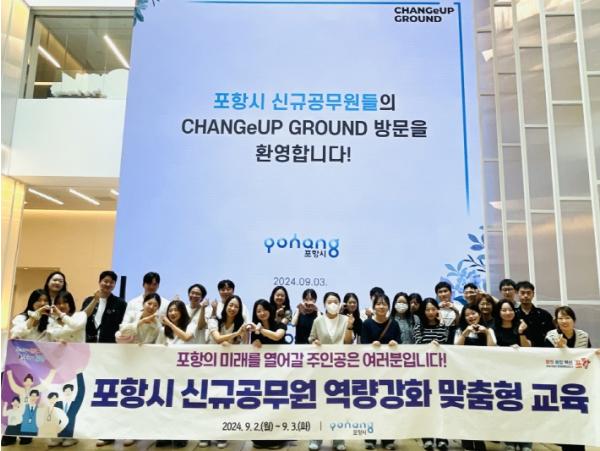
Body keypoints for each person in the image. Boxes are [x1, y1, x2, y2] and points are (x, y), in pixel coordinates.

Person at [308, 292, 354, 451]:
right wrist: (314, 342)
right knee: (319, 403)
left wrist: (350, 326)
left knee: (339, 404)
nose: (333, 304)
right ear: (324, 304)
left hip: (340, 367)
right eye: (329, 301)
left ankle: (338, 439)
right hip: (321, 367)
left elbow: (348, 342)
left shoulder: (346, 319)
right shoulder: (318, 320)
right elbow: (311, 338)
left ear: (340, 304)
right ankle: (316, 438)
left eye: (335, 301)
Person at [544, 306, 591, 451]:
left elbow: (587, 358)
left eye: (567, 318)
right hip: (560, 386)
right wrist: (558, 351)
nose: (564, 321)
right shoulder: (551, 336)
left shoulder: (583, 336)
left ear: (574, 320)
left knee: (579, 422)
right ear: (556, 321)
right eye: (560, 318)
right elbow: (546, 362)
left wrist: (595, 355)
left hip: (580, 386)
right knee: (565, 424)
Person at [413, 298, 454, 451]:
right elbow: (418, 342)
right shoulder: (419, 325)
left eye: (433, 309)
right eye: (427, 309)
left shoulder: (443, 325)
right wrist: (430, 346)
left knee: (441, 405)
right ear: (423, 311)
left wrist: (442, 323)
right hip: (424, 370)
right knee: (426, 405)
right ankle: (427, 438)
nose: (430, 312)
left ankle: (442, 438)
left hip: (441, 370)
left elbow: (445, 340)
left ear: (437, 310)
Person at [208, 295, 248, 448]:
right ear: (225, 306)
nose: (233, 308)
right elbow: (217, 338)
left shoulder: (242, 325)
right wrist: (235, 334)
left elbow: (243, 345)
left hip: (230, 368)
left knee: (225, 401)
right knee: (209, 400)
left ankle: (222, 434)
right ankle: (206, 433)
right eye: (231, 305)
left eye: (236, 306)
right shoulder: (214, 320)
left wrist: (242, 334)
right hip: (211, 365)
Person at [361, 293, 399, 450]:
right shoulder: (367, 323)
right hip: (371, 371)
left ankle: (388, 439)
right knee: (371, 405)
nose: (381, 306)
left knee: (389, 405)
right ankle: (370, 438)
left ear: (388, 306)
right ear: (374, 306)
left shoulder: (394, 324)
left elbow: (401, 345)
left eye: (384, 304)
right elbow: (363, 345)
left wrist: (395, 344)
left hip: (390, 371)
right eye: (378, 304)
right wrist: (371, 346)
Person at [455, 304, 495, 451]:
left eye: (473, 313)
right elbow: (455, 349)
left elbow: (493, 349)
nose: (471, 317)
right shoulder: (460, 330)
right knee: (463, 407)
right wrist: (465, 333)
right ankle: (466, 440)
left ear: (479, 314)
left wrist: (487, 333)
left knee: (479, 407)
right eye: (467, 315)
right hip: (463, 373)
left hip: (482, 373)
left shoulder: (489, 329)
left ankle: (479, 439)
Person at [249, 300, 288, 449]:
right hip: (263, 373)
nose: (262, 313)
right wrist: (255, 341)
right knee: (262, 406)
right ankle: (259, 440)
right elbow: (255, 347)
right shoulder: (253, 330)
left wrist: (260, 330)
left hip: (281, 372)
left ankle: (278, 439)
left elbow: (277, 336)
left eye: (264, 309)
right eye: (258, 311)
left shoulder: (280, 324)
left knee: (277, 405)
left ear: (270, 311)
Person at [81, 271, 127, 343]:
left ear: (115, 284)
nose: (108, 284)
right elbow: (82, 317)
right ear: (99, 282)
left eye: (112, 282)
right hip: (89, 342)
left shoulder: (121, 303)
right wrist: (95, 300)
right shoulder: (89, 300)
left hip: (110, 344)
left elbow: (124, 324)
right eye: (106, 281)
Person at [515, 281, 553, 347]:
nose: (526, 296)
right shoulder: (513, 314)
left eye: (528, 293)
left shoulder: (544, 314)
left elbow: (551, 335)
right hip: (518, 350)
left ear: (533, 294)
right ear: (517, 294)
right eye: (522, 293)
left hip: (541, 350)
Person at [54, 374, 85, 447]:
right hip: (58, 433)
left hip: (69, 434)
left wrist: (79, 375)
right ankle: (59, 438)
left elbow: (81, 391)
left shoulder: (75, 405)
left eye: (69, 391)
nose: (67, 392)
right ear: (63, 392)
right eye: (66, 391)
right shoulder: (58, 403)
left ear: (72, 392)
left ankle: (71, 439)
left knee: (66, 443)